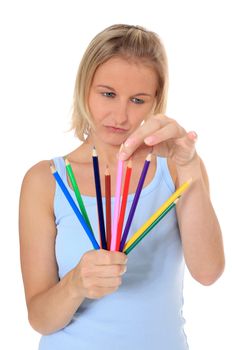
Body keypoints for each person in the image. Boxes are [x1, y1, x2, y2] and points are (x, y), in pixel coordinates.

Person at [19, 24, 225, 350]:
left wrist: (189, 168)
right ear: (84, 87)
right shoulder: (46, 180)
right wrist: (76, 283)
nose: (121, 114)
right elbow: (40, 318)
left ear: (156, 101)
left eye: (138, 100)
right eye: (108, 94)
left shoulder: (177, 167)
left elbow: (209, 272)